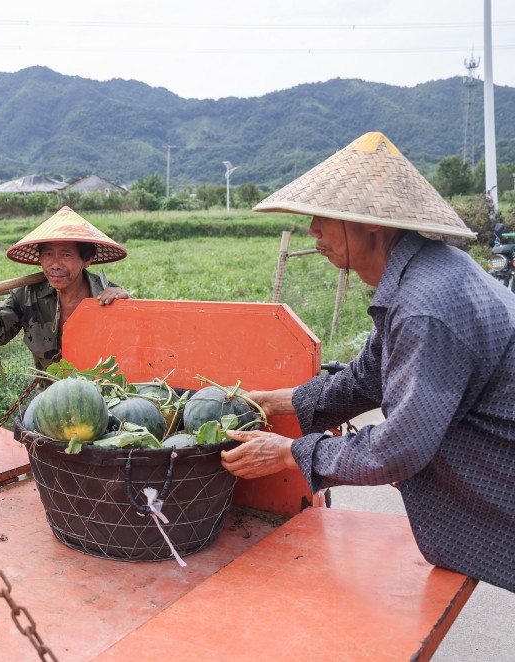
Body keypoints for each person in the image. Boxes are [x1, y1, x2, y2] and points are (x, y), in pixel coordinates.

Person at [220, 131, 515, 593]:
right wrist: (267, 401)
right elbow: (366, 379)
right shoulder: (424, 272)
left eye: (326, 217)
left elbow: (399, 449)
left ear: (371, 223)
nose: (313, 229)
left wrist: (291, 453)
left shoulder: (424, 305)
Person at [0, 206, 131, 370]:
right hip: (48, 398)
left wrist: (129, 306)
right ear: (39, 258)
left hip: (102, 396)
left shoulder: (108, 296)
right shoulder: (28, 295)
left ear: (87, 259)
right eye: (48, 254)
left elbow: (135, 347)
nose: (55, 264)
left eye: (66, 255)